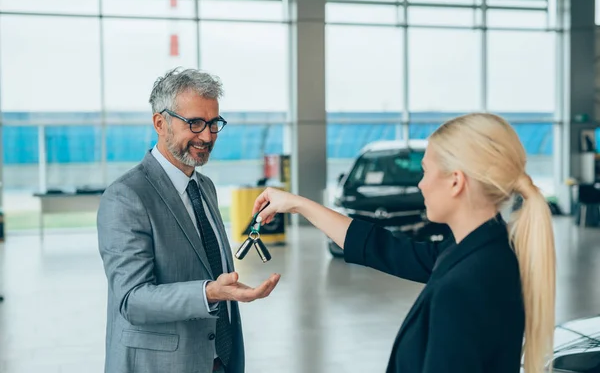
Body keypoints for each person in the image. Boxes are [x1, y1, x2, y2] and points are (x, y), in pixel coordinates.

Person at [253, 113, 556, 373]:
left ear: (456, 181)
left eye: (425, 171)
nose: (420, 183)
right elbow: (384, 248)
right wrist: (297, 204)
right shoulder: (478, 250)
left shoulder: (465, 285)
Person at [97, 68, 281, 373]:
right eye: (195, 123)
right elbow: (131, 300)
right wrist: (209, 293)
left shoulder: (204, 187)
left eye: (213, 123)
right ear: (160, 122)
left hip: (219, 360)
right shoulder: (126, 196)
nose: (207, 136)